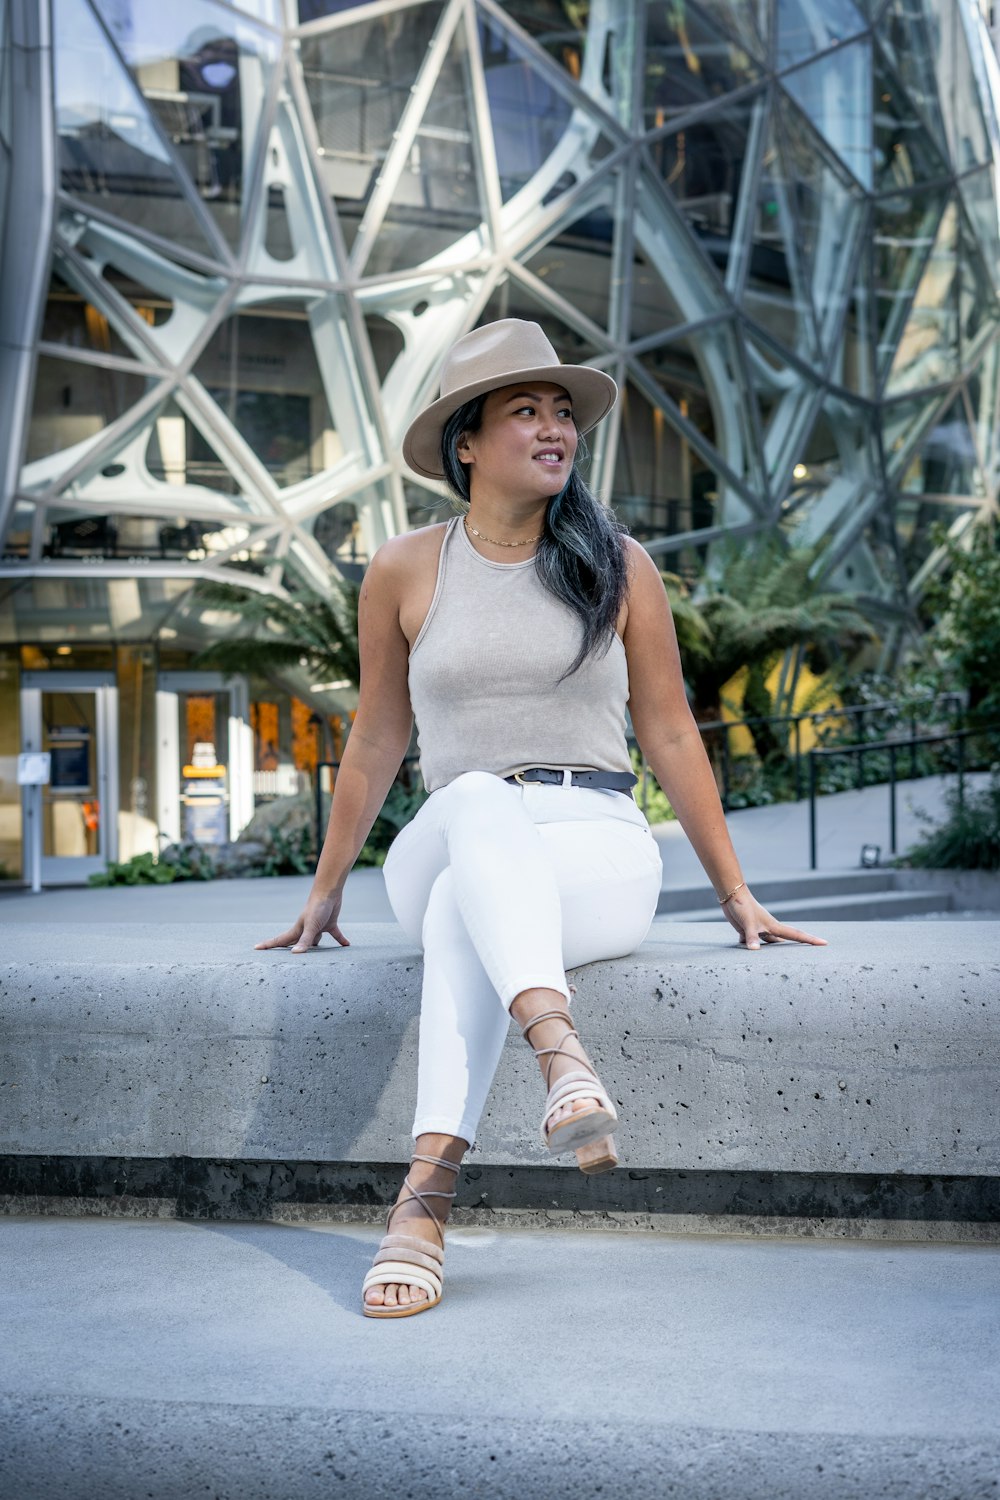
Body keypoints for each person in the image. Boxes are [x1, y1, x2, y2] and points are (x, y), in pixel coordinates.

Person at [257, 319, 825, 1319]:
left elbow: (672, 735)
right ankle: (560, 1054)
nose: (554, 427)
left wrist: (738, 895)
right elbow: (381, 734)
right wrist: (325, 885)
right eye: (526, 410)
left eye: (564, 412)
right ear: (465, 444)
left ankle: (422, 1204)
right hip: (447, 835)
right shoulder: (403, 567)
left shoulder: (620, 564)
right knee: (474, 797)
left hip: (595, 844)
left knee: (459, 929)